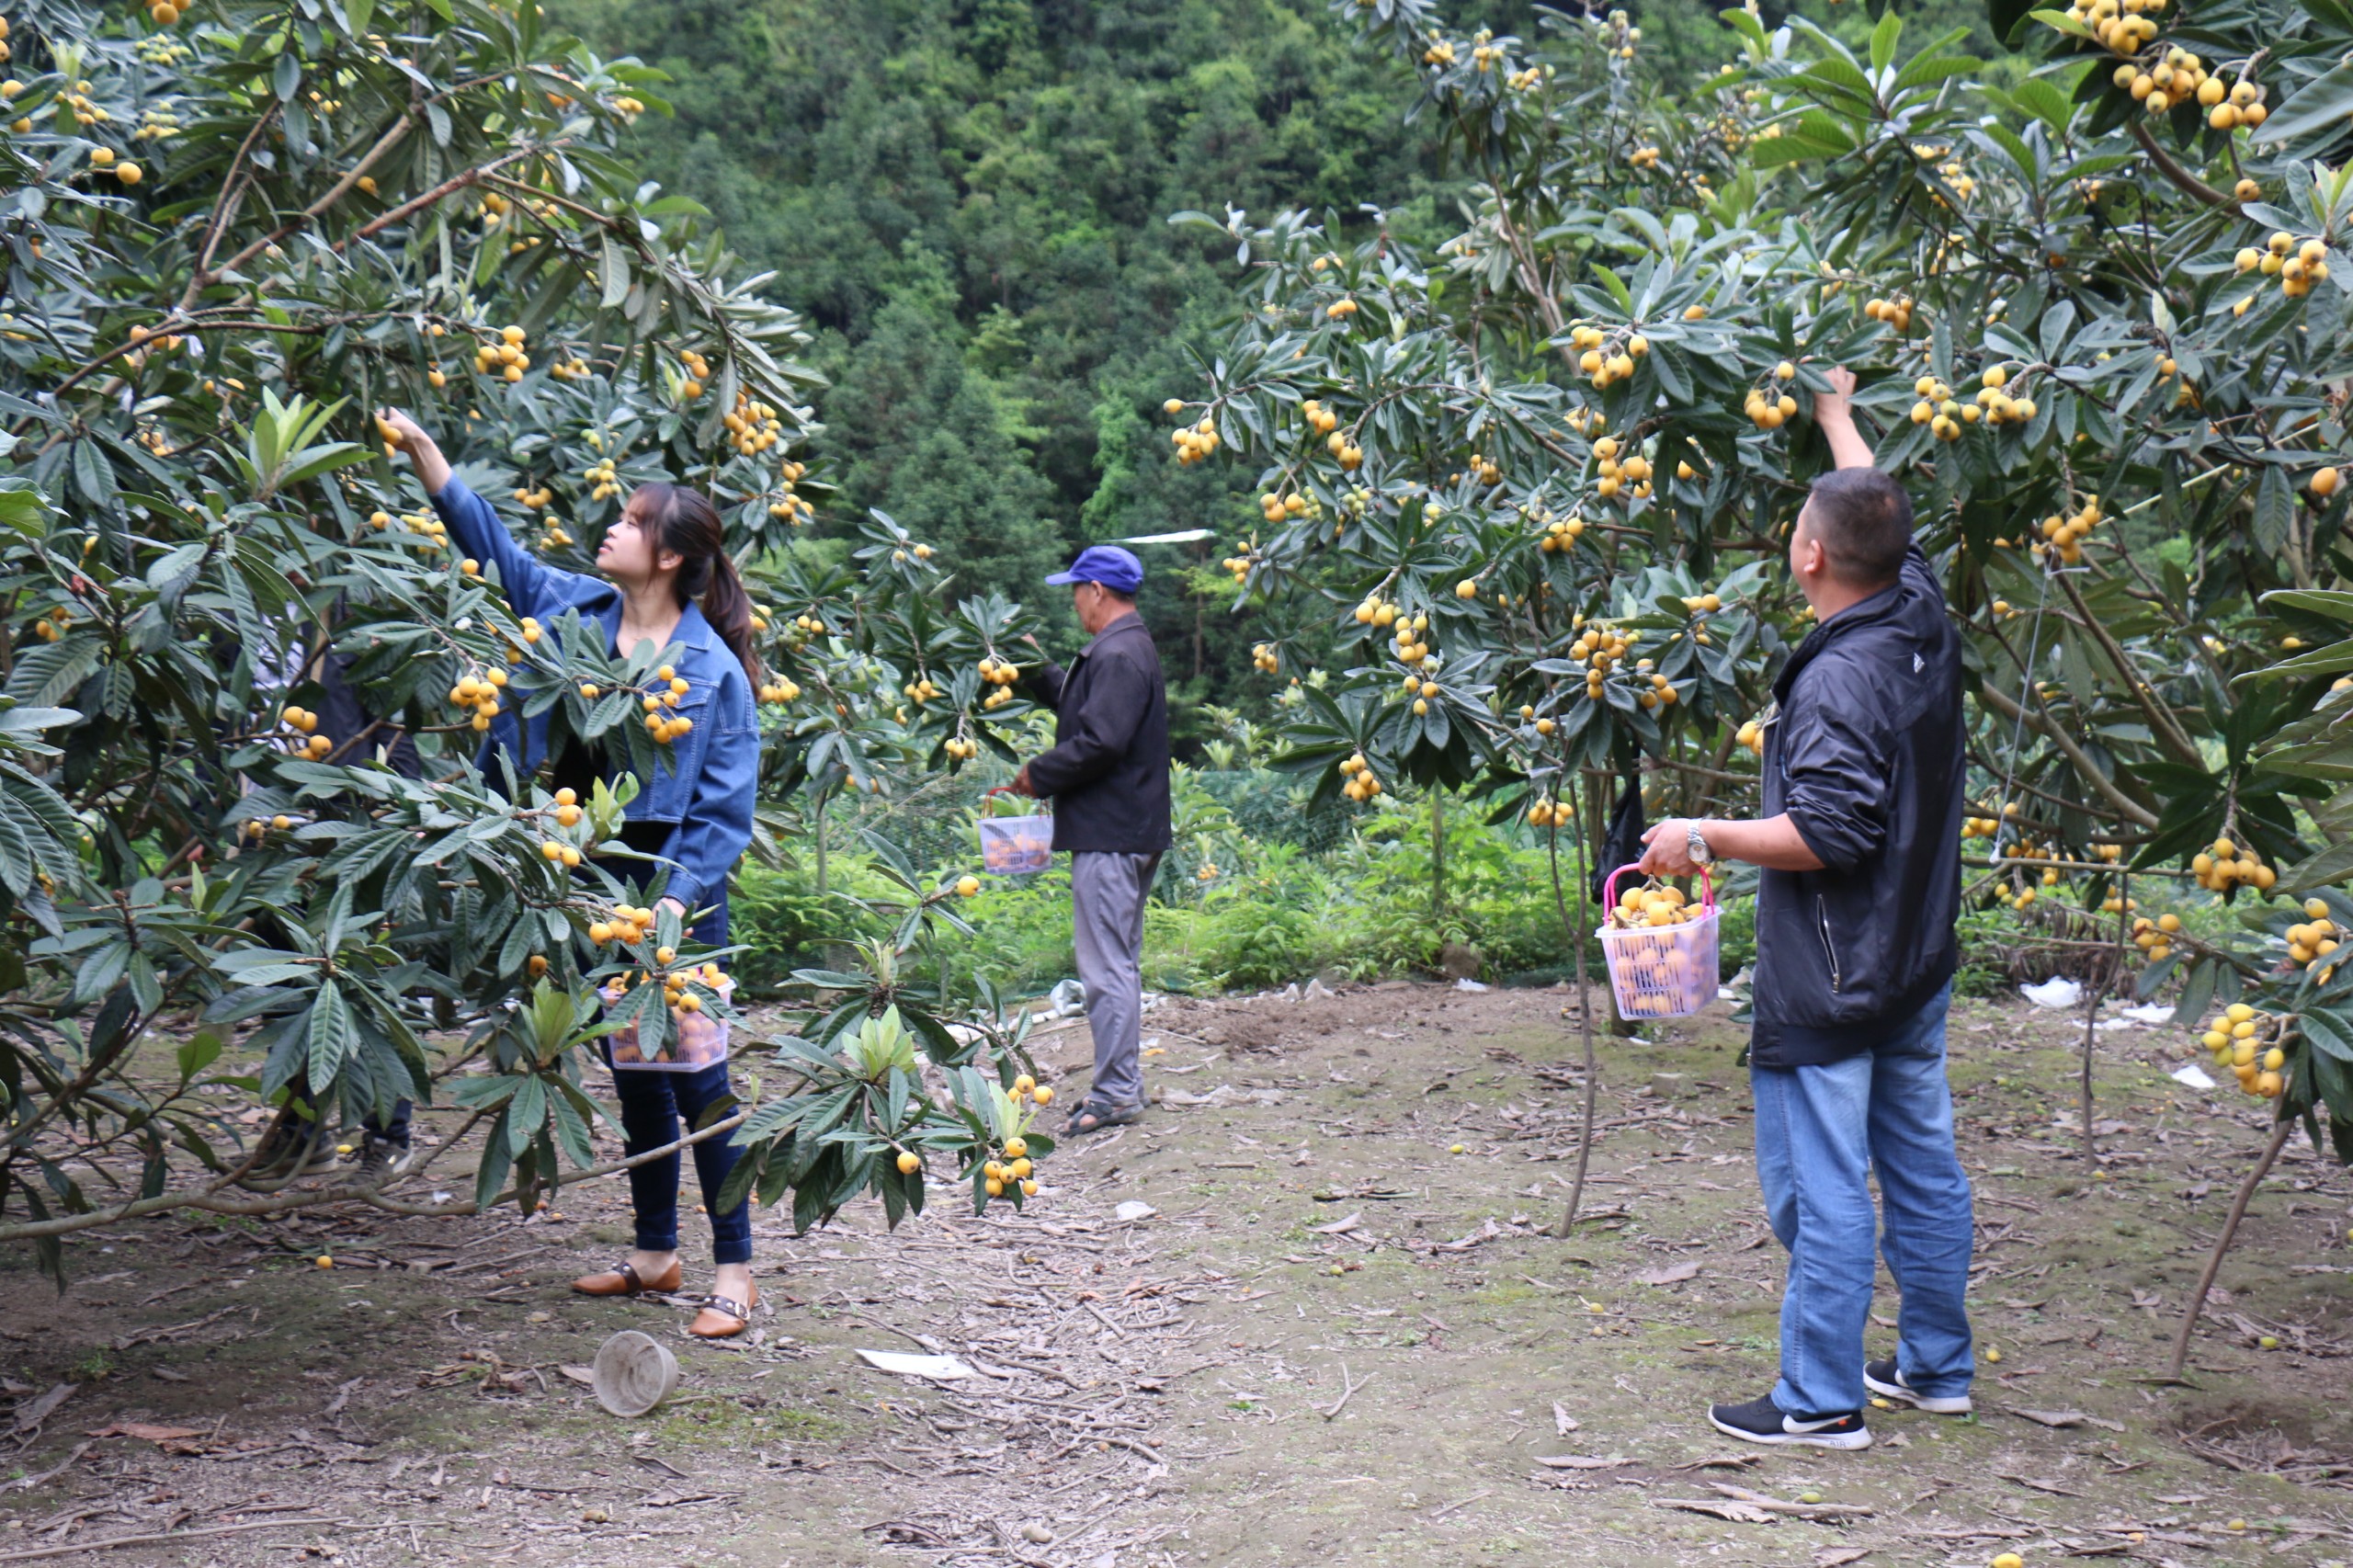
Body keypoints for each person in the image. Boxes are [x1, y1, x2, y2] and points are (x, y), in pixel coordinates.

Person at [1638, 366, 1972, 1449]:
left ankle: (1820, 1396)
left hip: (1834, 970)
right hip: (1913, 954)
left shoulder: (1836, 682)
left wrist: (1699, 834)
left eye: (1800, 525)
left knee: (1818, 1189)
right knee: (1920, 1163)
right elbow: (1871, 498)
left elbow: (1828, 834)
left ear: (1812, 554)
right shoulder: (1916, 609)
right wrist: (1835, 417)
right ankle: (1935, 1364)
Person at [377, 407, 765, 1340]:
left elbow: (724, 815)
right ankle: (655, 1251)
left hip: (671, 902)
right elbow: (492, 546)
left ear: (669, 554)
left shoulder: (713, 673)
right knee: (632, 1076)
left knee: (698, 1085)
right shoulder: (570, 611)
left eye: (631, 521)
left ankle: (737, 1267)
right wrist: (428, 454)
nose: (612, 527)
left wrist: (670, 904)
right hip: (579, 886)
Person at [1010, 545, 1171, 1137]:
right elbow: (1090, 710)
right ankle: (1119, 1085)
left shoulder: (1121, 653)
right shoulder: (1118, 649)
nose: (1074, 601)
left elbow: (1101, 741)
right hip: (1124, 828)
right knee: (1116, 964)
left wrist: (1038, 774)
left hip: (1113, 833)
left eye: (1076, 590)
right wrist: (1034, 671)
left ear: (1097, 591)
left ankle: (1119, 1092)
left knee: (1105, 968)